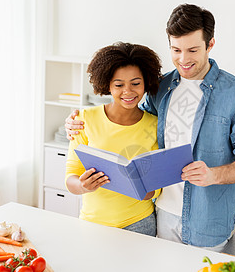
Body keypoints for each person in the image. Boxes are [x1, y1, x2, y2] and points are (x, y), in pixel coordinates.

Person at [65, 4, 235, 251]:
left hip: (207, 220)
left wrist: (214, 175)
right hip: (160, 214)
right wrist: (76, 122)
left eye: (192, 50)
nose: (183, 59)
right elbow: (131, 116)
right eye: (176, 49)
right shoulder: (160, 87)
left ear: (210, 44)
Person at [65, 42, 162, 236]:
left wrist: (145, 191)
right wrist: (83, 186)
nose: (128, 92)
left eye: (136, 83)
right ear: (107, 85)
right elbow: (70, 177)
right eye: (119, 85)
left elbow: (156, 186)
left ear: (146, 83)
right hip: (92, 223)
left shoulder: (155, 124)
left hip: (139, 223)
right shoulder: (84, 120)